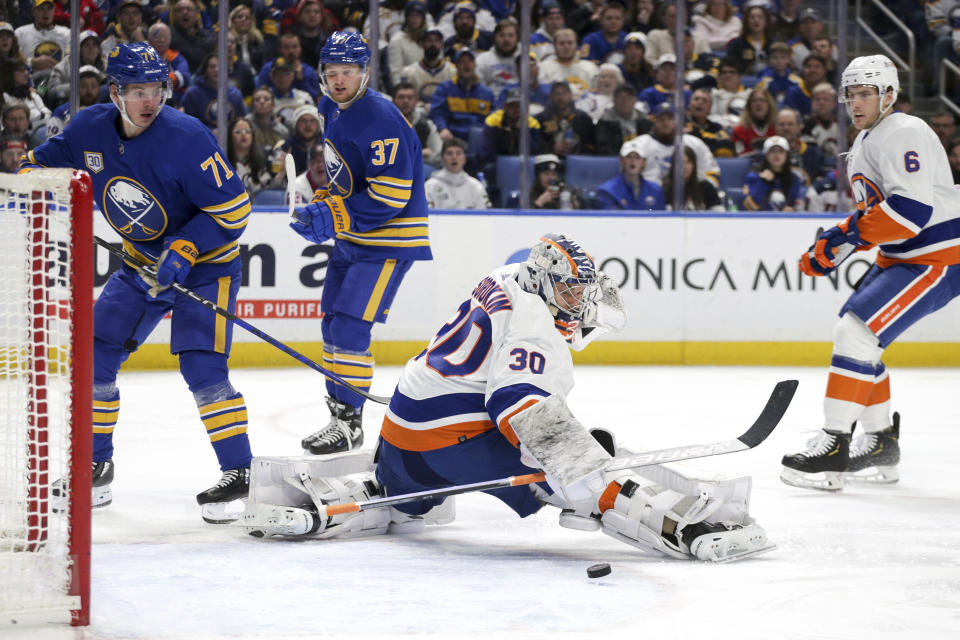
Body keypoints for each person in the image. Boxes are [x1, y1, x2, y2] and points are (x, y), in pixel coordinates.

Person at [239, 232, 772, 564]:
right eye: (570, 291)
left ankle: (340, 501)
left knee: (406, 502)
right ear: (544, 283)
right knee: (585, 472)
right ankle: (689, 528)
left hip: (404, 433)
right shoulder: (537, 326)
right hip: (454, 440)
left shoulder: (504, 277)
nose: (577, 301)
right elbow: (518, 402)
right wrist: (582, 471)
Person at [20, 42, 255, 523]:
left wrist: (186, 246)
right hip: (140, 264)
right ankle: (95, 467)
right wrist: (32, 183)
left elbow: (235, 210)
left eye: (157, 89)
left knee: (202, 368)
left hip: (207, 268)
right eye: (138, 90)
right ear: (115, 92)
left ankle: (240, 472)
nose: (150, 100)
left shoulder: (187, 136)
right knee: (95, 355)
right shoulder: (87, 127)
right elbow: (44, 164)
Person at [782, 55, 960, 491]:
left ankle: (833, 445)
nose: (857, 102)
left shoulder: (902, 131)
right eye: (851, 94)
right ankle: (879, 441)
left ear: (889, 95)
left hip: (937, 255)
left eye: (866, 93)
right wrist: (840, 237)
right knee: (861, 340)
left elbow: (911, 212)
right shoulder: (870, 137)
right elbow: (878, 211)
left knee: (856, 334)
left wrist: (844, 239)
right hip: (905, 256)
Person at [289, 32, 432, 456]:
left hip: (387, 240)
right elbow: (349, 176)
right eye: (332, 72)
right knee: (333, 322)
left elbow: (390, 196)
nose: (338, 80)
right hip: (354, 237)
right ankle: (339, 418)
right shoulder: (332, 107)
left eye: (348, 72)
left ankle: (351, 422)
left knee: (351, 326)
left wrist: (334, 214)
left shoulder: (381, 118)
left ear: (365, 72)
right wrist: (326, 201)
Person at [429, 48, 494, 142]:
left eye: (469, 61)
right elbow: (437, 114)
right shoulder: (444, 89)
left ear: (474, 65)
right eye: (462, 61)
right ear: (456, 66)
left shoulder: (487, 93)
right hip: (452, 136)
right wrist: (443, 128)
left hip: (478, 138)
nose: (466, 64)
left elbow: (492, 117)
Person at [180, 53, 247, 132]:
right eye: (212, 66)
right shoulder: (192, 94)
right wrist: (210, 132)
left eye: (220, 66)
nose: (216, 69)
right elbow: (186, 124)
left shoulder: (235, 94)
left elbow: (242, 122)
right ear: (205, 70)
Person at [595, 138, 665, 210]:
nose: (633, 160)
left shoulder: (656, 190)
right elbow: (608, 219)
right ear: (621, 160)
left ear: (643, 162)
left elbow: (662, 219)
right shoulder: (607, 190)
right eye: (628, 156)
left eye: (637, 157)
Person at [741, 135, 807, 211]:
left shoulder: (794, 178)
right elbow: (750, 206)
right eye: (772, 151)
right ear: (766, 154)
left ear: (787, 155)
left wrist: (792, 209)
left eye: (781, 151)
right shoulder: (753, 176)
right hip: (760, 220)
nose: (777, 155)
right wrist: (763, 182)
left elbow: (797, 205)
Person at [424, 137, 491, 209]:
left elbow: (486, 215)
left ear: (464, 159)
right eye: (449, 153)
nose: (454, 157)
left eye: (458, 153)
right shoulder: (430, 186)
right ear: (442, 159)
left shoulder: (476, 186)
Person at [226, 117, 281, 197]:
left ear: (252, 135)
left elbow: (269, 193)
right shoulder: (224, 163)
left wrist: (281, 173)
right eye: (238, 132)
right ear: (230, 136)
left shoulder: (261, 161)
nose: (243, 134)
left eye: (247, 131)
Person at [595, 82, 652, 156]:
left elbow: (650, 145)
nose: (624, 101)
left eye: (629, 97)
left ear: (635, 101)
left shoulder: (644, 121)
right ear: (614, 101)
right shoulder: (604, 122)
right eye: (620, 97)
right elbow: (603, 149)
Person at [662, 145, 724, 211]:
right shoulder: (665, 187)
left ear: (694, 165)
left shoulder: (705, 186)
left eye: (688, 162)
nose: (684, 166)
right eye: (680, 162)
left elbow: (719, 213)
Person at [732, 85, 777, 156]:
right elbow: (739, 156)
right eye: (754, 100)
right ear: (749, 106)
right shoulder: (739, 130)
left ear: (769, 105)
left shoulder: (777, 129)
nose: (758, 104)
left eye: (762, 100)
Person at [293, 140, 330, 205]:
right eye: (315, 161)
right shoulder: (296, 186)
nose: (320, 165)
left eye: (324, 160)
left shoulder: (339, 183)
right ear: (308, 165)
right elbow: (297, 214)